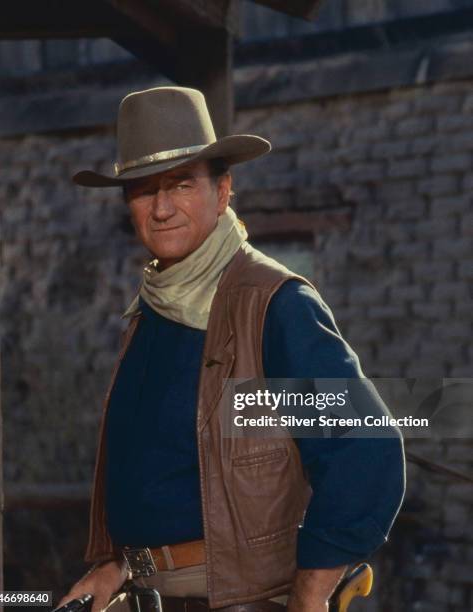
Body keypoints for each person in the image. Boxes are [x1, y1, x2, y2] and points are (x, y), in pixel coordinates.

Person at [57, 86, 405, 612]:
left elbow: (367, 448)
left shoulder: (273, 304)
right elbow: (168, 477)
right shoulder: (152, 310)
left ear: (222, 192)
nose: (163, 208)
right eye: (144, 190)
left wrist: (309, 597)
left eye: (181, 185)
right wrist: (118, 565)